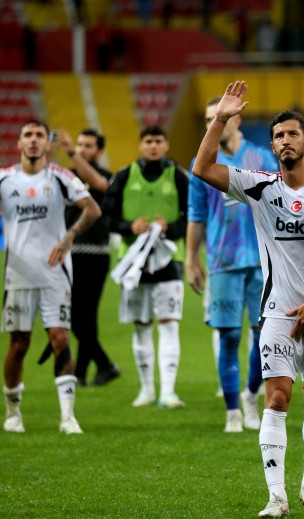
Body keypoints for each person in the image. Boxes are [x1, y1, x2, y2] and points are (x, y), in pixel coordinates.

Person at [192, 81, 304, 518]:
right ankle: (276, 497)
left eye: (292, 135)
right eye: (278, 136)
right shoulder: (259, 186)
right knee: (278, 398)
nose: (286, 141)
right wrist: (221, 118)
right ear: (272, 146)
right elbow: (202, 168)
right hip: (277, 313)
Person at [1, 119, 101, 434]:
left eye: (39, 136)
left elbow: (92, 208)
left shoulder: (60, 177)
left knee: (60, 338)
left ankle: (68, 415)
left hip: (55, 271)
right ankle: (13, 412)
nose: (33, 141)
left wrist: (69, 236)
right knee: (19, 344)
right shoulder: (4, 179)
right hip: (17, 275)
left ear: (47, 144)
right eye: (27, 135)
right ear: (18, 143)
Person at [186, 97, 278, 433]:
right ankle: (231, 413)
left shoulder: (262, 158)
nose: (216, 124)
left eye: (221, 118)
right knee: (228, 338)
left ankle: (250, 397)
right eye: (210, 119)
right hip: (222, 263)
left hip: (261, 262)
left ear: (236, 121)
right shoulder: (200, 163)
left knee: (261, 337)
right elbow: (196, 215)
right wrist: (190, 259)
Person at [103, 125, 188, 409]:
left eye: (158, 141)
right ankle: (146, 390)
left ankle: (168, 391)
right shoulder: (125, 175)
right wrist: (129, 226)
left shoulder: (177, 175)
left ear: (166, 145)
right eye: (148, 141)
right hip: (133, 263)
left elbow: (193, 216)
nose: (153, 146)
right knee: (140, 326)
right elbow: (106, 217)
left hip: (169, 261)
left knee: (168, 324)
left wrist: (172, 228)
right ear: (141, 145)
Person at [41, 128, 120, 388]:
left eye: (88, 146)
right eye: (80, 144)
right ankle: (92, 370)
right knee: (79, 316)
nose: (83, 149)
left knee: (84, 316)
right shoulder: (68, 177)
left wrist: (72, 154)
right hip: (69, 252)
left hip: (95, 253)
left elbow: (99, 185)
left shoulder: (106, 176)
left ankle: (98, 366)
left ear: (100, 151)